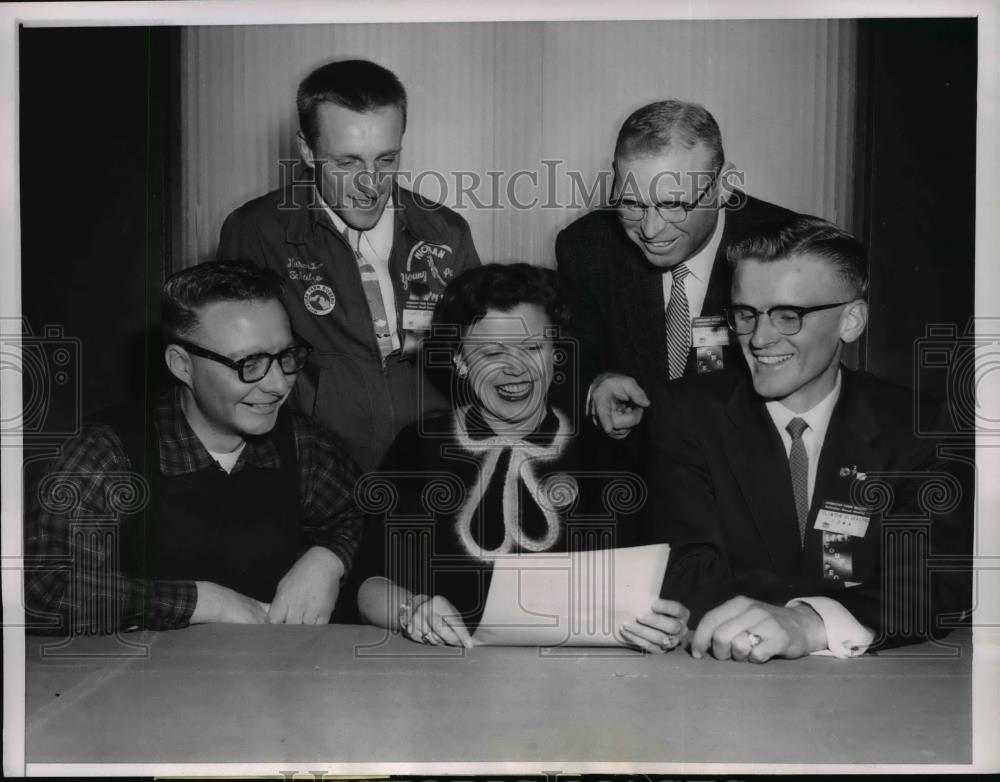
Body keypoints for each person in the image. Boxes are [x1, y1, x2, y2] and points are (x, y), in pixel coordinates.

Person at [645, 216, 970, 661]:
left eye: (788, 315)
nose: (759, 338)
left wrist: (810, 621)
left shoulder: (916, 424)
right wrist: (840, 600)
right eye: (746, 314)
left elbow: (934, 581)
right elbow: (686, 571)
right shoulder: (686, 413)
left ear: (851, 321)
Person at [352, 263, 688, 651]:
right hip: (443, 674)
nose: (516, 369)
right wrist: (413, 609)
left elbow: (656, 583)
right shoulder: (418, 447)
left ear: (556, 353)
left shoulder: (608, 453)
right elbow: (368, 585)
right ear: (460, 360)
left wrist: (668, 621)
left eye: (532, 348)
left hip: (583, 682)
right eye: (492, 351)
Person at [24, 261, 363, 633]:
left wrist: (329, 558)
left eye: (287, 357)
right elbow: (41, 590)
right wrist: (205, 602)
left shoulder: (302, 441)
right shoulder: (105, 451)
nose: (279, 385)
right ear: (182, 365)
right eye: (249, 363)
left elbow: (365, 514)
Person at [217, 59, 481, 472]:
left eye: (387, 160)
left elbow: (478, 356)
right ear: (307, 150)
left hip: (432, 465)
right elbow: (232, 370)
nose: (369, 185)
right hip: (315, 468)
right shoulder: (257, 230)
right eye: (347, 163)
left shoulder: (446, 230)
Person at [556, 99, 798, 442]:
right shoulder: (587, 248)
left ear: (722, 186)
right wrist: (597, 382)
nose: (651, 230)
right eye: (631, 203)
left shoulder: (792, 250)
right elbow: (573, 357)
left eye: (673, 204)